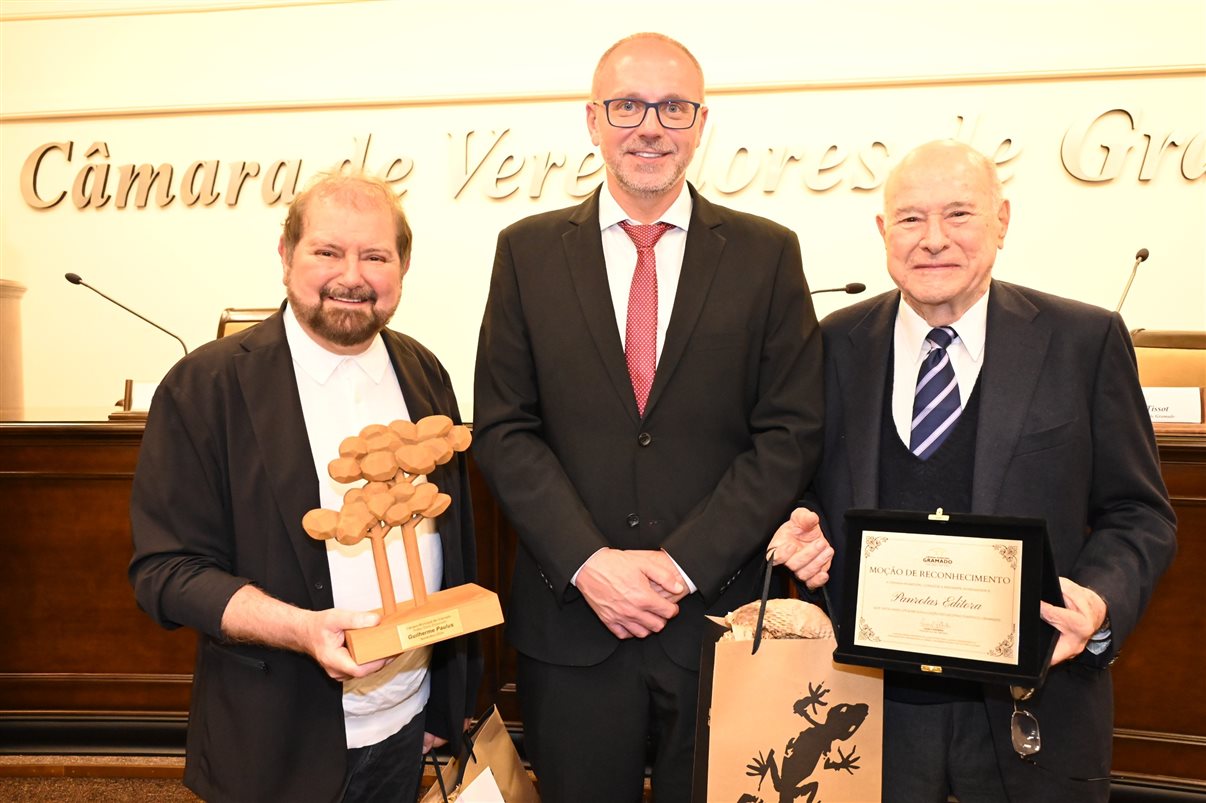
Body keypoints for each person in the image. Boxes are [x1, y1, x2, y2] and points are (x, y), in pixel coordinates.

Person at [472, 32, 823, 803]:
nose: (650, 126)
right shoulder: (525, 253)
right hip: (571, 626)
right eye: (628, 105)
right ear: (592, 120)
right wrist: (590, 562)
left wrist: (678, 566)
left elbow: (789, 432)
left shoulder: (767, 255)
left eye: (673, 106)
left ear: (701, 124)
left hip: (717, 623)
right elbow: (504, 428)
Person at [769, 139, 1177, 803]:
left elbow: (1140, 512)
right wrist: (799, 527)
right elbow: (801, 485)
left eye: (959, 214)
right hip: (868, 714)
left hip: (1034, 710)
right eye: (909, 219)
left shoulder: (1085, 341)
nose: (933, 239)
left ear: (1002, 221)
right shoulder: (831, 344)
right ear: (882, 231)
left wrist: (1098, 600)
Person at [129, 172, 480, 803]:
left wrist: (440, 706)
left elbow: (451, 543)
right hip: (274, 740)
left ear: (402, 267)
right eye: (327, 251)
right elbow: (166, 571)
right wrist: (300, 629)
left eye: (376, 256)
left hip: (404, 725)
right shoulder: (204, 386)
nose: (353, 275)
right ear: (286, 256)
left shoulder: (424, 371)